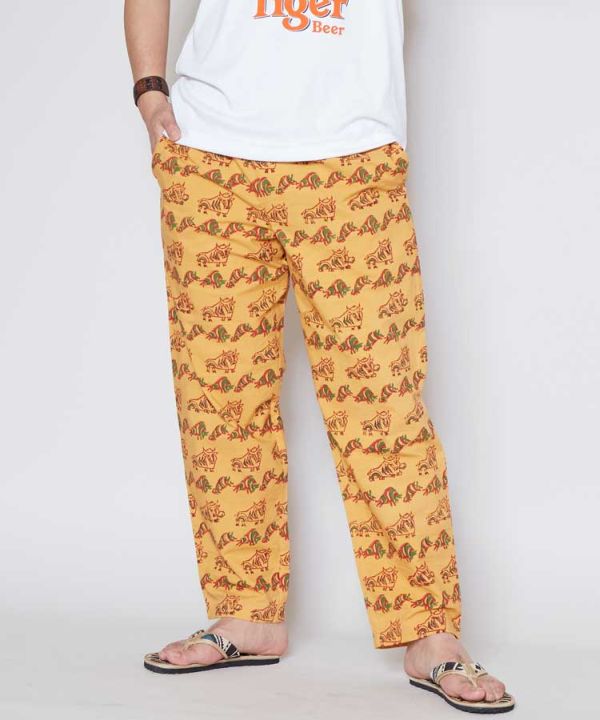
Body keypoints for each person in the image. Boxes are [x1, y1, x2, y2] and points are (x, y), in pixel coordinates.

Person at [125, 0, 515, 713]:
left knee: (382, 406)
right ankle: (245, 612)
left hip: (349, 156)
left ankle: (430, 633)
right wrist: (150, 90)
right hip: (209, 158)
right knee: (220, 402)